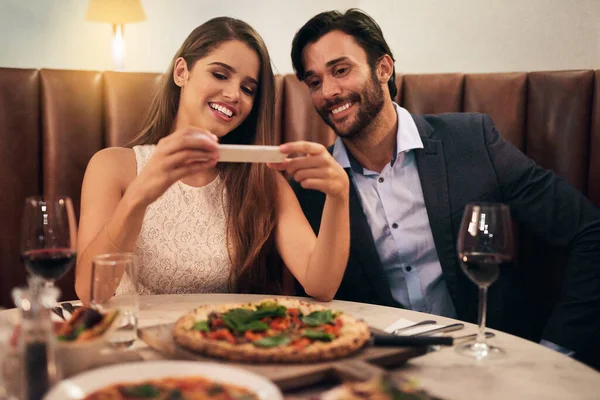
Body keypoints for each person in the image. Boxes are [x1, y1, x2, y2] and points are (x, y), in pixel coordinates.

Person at [285, 8, 600, 363]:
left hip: (493, 361)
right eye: (314, 82)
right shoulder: (310, 186)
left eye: (341, 70)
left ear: (384, 68)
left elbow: (589, 232)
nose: (328, 91)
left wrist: (557, 350)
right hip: (383, 371)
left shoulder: (472, 141)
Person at [75, 17, 350, 304]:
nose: (233, 94)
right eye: (220, 75)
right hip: (135, 341)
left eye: (248, 89)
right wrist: (138, 196)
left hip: (220, 341)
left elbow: (321, 285)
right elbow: (91, 292)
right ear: (182, 72)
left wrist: (339, 194)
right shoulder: (112, 166)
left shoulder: (262, 180)